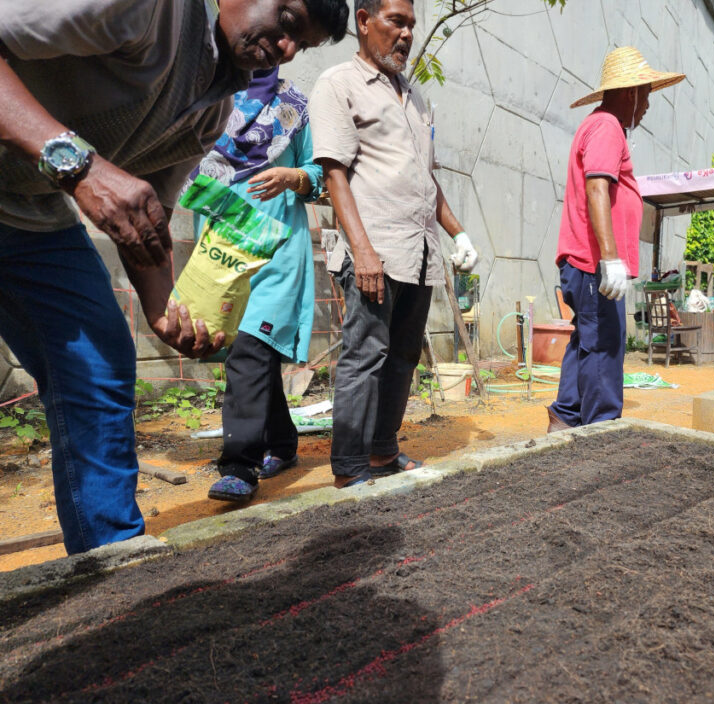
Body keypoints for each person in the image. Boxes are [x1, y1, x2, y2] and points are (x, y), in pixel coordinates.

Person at [0, 0, 348, 554]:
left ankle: (113, 563)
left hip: (26, 216)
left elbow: (148, 217)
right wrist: (79, 165)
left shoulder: (213, 109)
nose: (284, 49)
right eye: (286, 22)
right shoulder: (150, 10)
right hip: (34, 195)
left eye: (299, 44)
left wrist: (163, 309)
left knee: (98, 365)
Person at [309, 0, 480, 489]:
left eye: (411, 25)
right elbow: (334, 174)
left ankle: (382, 451)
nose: (406, 34)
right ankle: (350, 468)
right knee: (365, 356)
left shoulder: (415, 97)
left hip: (419, 252)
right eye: (396, 22)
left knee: (404, 357)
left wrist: (458, 232)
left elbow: (426, 179)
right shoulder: (338, 84)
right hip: (376, 251)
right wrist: (362, 251)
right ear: (364, 22)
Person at [189, 68, 326, 504]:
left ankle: (239, 465)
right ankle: (282, 444)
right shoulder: (205, 97)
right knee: (248, 351)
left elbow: (319, 173)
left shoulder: (294, 108)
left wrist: (291, 177)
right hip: (221, 246)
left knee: (251, 346)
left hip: (277, 247)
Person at [547, 47, 684, 432]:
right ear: (630, 92)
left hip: (585, 263)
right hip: (593, 264)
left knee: (587, 340)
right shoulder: (607, 126)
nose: (648, 106)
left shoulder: (599, 125)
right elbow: (597, 189)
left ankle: (565, 418)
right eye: (647, 95)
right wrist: (609, 258)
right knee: (605, 345)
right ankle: (602, 430)